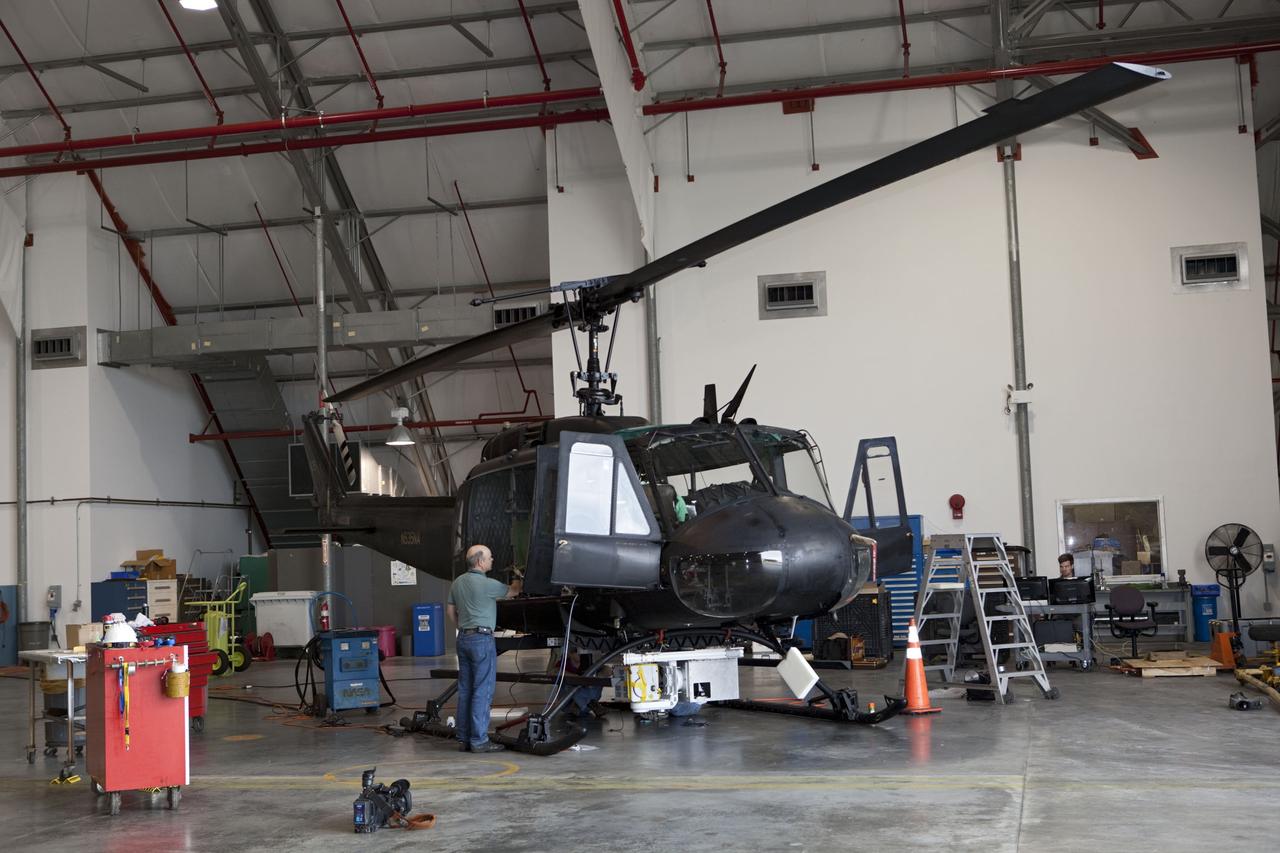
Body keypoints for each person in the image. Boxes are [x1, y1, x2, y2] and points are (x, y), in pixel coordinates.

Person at [447, 544, 521, 753]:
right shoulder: (488, 585)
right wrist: (518, 575)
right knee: (482, 690)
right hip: (482, 639)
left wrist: (463, 627)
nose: (492, 560)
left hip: (463, 638)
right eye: (489, 557)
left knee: (466, 689)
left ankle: (463, 738)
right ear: (480, 561)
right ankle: (479, 740)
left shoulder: (457, 583)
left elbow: (450, 611)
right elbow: (515, 591)